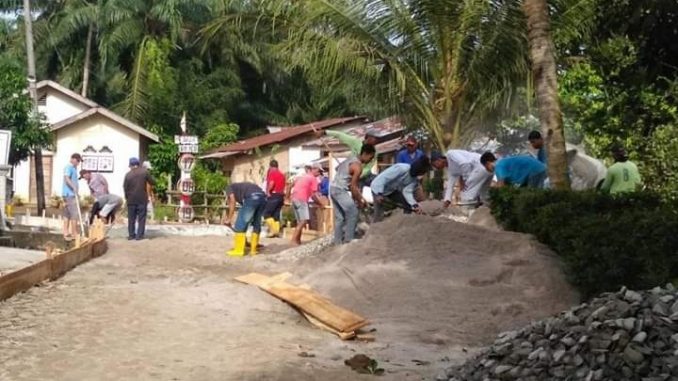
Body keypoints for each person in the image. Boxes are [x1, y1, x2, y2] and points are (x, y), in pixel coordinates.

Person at [330, 144, 376, 244]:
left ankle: (337, 242)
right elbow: (353, 187)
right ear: (365, 154)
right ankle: (348, 239)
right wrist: (360, 200)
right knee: (353, 212)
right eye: (371, 157)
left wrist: (346, 175)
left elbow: (338, 168)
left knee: (340, 218)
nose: (370, 160)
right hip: (340, 190)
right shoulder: (358, 167)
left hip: (333, 187)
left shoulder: (350, 159)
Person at [371, 156, 431, 222]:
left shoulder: (414, 180)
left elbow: (407, 192)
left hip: (392, 190)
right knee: (379, 213)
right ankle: (375, 228)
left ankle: (405, 221)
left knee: (407, 204)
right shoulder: (401, 168)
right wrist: (379, 194)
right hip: (378, 187)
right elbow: (384, 178)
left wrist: (415, 205)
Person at [224, 182, 267, 256]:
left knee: (240, 224)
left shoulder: (229, 187)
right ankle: (253, 250)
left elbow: (232, 202)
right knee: (257, 223)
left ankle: (238, 251)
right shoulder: (241, 189)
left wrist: (229, 219)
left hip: (252, 197)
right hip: (263, 198)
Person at [289, 163, 323, 245]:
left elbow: (290, 186)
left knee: (299, 221)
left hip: (294, 198)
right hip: (301, 199)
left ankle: (298, 240)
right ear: (314, 169)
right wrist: (320, 204)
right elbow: (313, 195)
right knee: (304, 221)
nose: (319, 174)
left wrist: (287, 197)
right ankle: (293, 240)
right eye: (319, 172)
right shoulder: (312, 178)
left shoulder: (302, 176)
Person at [123, 157, 155, 241]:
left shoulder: (128, 175)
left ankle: (131, 235)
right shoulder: (144, 172)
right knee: (141, 218)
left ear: (131, 165)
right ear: (138, 164)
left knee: (131, 218)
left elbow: (125, 188)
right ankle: (139, 236)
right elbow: (152, 182)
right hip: (142, 199)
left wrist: (127, 197)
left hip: (131, 199)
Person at [263, 160, 286, 237]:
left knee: (266, 214)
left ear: (270, 166)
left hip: (274, 195)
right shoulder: (282, 174)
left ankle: (273, 231)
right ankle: (277, 232)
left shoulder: (272, 173)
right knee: (276, 215)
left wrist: (268, 191)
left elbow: (272, 183)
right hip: (281, 195)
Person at [62, 153, 82, 241]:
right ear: (73, 159)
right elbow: (66, 178)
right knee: (74, 214)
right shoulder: (69, 167)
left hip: (70, 194)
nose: (78, 163)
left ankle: (66, 232)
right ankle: (74, 233)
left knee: (67, 214)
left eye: (79, 161)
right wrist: (73, 187)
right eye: (78, 161)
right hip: (69, 194)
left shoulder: (74, 168)